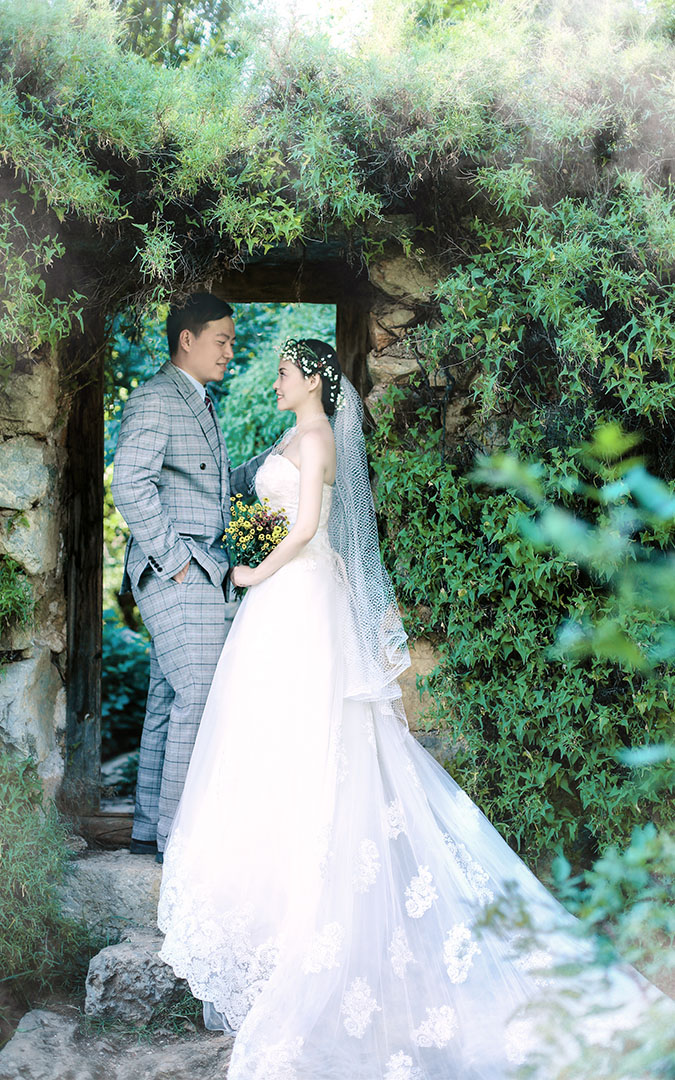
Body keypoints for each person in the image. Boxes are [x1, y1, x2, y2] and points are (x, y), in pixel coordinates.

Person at [157, 340, 670, 1079]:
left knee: (308, 743)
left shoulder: (315, 437)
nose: (272, 382)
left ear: (312, 380)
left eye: (282, 373)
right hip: (286, 601)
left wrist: (249, 571)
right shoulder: (294, 434)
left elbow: (305, 529)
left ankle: (304, 924)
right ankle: (274, 920)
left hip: (295, 596)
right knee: (273, 743)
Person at [111, 293, 267, 862]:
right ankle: (179, 844)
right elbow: (129, 484)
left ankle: (148, 828)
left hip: (202, 566)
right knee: (198, 696)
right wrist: (175, 560)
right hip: (178, 569)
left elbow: (213, 489)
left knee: (167, 698)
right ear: (188, 339)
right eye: (222, 341)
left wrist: (277, 459)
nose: (229, 351)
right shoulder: (156, 398)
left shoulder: (199, 400)